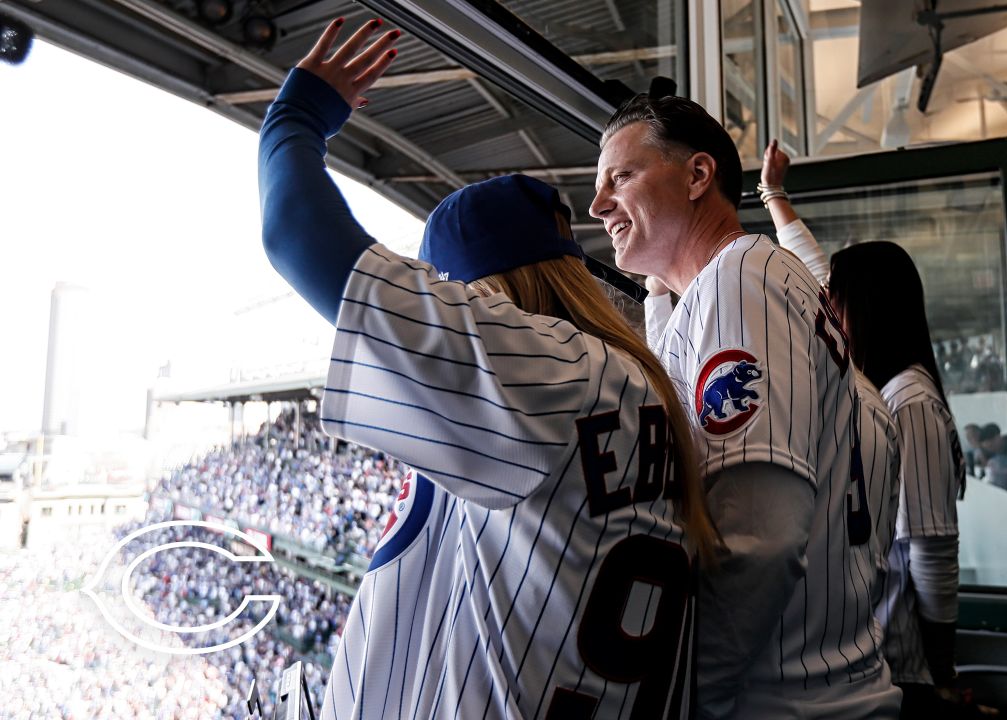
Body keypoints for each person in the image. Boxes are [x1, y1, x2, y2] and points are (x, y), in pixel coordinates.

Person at [259, 19, 718, 719]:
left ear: (478, 293)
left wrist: (294, 119)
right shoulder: (641, 387)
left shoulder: (548, 370)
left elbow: (296, 232)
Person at [592, 106, 900, 716]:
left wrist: (693, 695)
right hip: (824, 687)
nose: (598, 205)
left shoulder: (740, 280)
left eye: (619, 178)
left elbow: (761, 533)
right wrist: (660, 280)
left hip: (781, 700)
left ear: (698, 174)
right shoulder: (747, 281)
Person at [825, 242, 965, 718]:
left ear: (864, 304)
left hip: (905, 667)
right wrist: (773, 196)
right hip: (875, 656)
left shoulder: (910, 401)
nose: (825, 305)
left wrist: (943, 671)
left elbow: (931, 547)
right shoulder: (878, 390)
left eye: (834, 295)